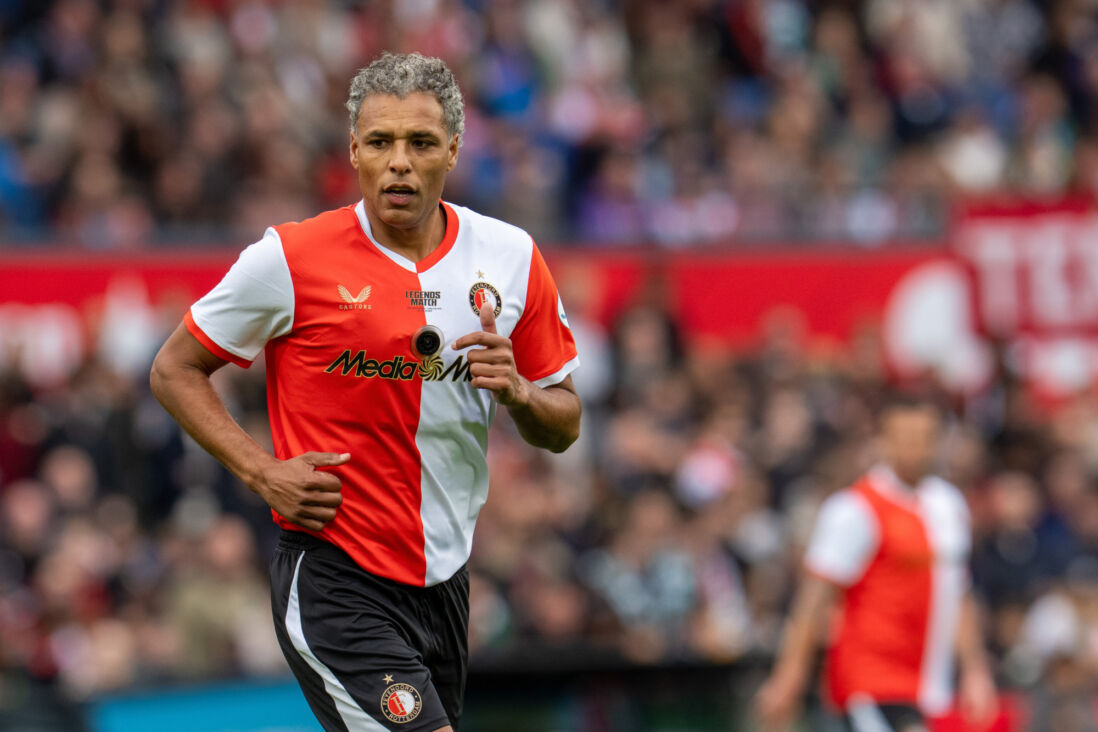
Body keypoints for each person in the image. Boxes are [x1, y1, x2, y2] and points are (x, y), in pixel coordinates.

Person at [150, 52, 581, 732]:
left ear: (454, 151)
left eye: (420, 143)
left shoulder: (511, 257)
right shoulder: (290, 260)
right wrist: (262, 472)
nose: (399, 161)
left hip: (445, 579)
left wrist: (522, 394)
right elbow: (173, 369)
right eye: (380, 142)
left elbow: (566, 423)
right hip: (335, 574)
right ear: (354, 150)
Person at [755, 396, 996, 732]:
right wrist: (790, 674)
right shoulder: (854, 509)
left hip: (930, 681)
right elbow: (814, 599)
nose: (915, 448)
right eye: (905, 438)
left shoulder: (949, 505)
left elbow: (959, 593)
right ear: (883, 441)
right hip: (873, 678)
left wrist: (975, 669)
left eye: (924, 437)